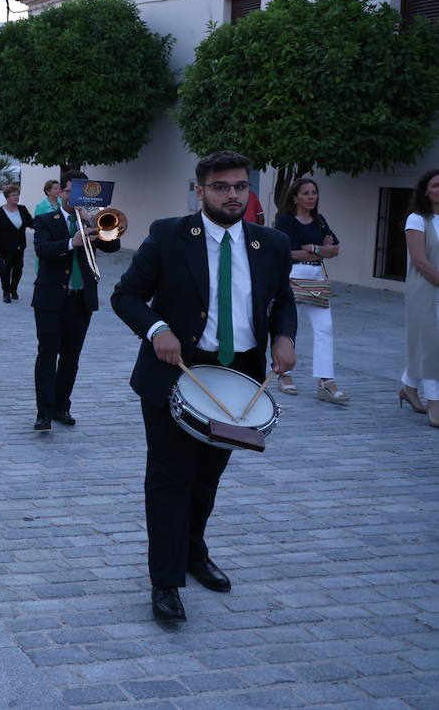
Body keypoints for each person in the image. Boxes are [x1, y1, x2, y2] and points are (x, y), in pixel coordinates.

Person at [111, 150, 296, 622]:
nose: (232, 195)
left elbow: (282, 300)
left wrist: (285, 337)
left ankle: (194, 552)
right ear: (201, 190)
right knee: (170, 478)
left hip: (237, 382)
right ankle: (166, 582)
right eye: (221, 187)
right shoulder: (169, 236)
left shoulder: (271, 243)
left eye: (240, 186)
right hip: (176, 375)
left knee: (207, 478)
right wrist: (157, 331)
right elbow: (126, 295)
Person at [31, 170, 120, 431]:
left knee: (71, 358)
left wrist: (97, 224)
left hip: (80, 300)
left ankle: (62, 407)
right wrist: (72, 242)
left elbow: (114, 246)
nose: (73, 196)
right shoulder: (47, 219)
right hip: (50, 300)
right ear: (61, 192)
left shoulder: (93, 221)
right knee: (47, 356)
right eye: (70, 191)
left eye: (78, 192)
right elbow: (41, 249)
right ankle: (43, 412)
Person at [272, 178, 346, 402]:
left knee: (325, 328)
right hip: (292, 277)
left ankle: (326, 380)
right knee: (287, 327)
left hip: (316, 279)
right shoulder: (285, 221)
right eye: (305, 193)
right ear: (295, 197)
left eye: (314, 192)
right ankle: (284, 374)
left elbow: (334, 250)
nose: (311, 197)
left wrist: (314, 249)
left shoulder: (320, 221)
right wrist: (321, 249)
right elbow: (290, 253)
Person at [401, 169, 439, 426]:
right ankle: (435, 404)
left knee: (429, 345)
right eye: (436, 186)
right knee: (431, 348)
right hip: (424, 289)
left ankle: (408, 386)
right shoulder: (417, 219)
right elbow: (419, 260)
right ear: (425, 190)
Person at [0, 184, 33, 304]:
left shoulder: (22, 209)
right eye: (13, 195)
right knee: (5, 271)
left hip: (19, 246)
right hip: (4, 248)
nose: (16, 197)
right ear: (7, 197)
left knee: (18, 269)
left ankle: (14, 290)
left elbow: (31, 223)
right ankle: (6, 292)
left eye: (17, 195)